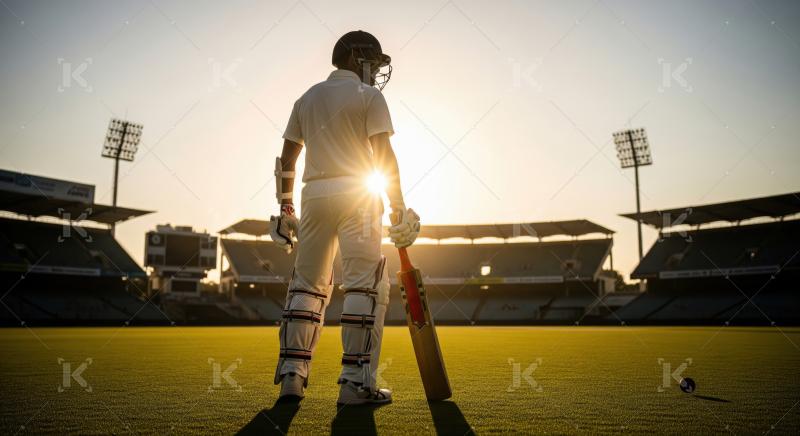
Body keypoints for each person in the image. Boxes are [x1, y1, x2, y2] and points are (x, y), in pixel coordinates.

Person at [269, 30, 421, 405]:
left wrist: (285, 207)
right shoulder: (370, 97)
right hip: (358, 195)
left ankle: (292, 377)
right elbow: (383, 155)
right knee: (365, 286)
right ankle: (354, 384)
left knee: (306, 286)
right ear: (355, 56)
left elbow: (287, 160)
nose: (376, 71)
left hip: (314, 196)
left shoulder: (307, 97)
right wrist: (398, 205)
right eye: (373, 61)